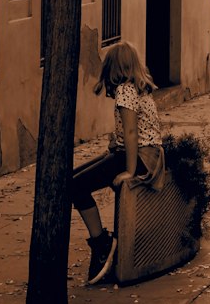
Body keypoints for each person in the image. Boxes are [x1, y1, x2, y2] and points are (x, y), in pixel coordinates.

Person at [71, 42, 166, 285]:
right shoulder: (138, 88)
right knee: (73, 179)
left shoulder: (125, 90)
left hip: (141, 159)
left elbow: (133, 131)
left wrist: (129, 171)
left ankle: (101, 242)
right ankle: (102, 241)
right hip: (146, 154)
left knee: (75, 186)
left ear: (113, 68)